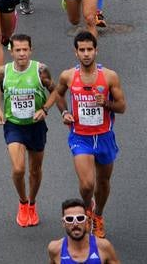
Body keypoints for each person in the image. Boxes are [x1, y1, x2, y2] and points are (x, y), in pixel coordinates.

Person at [48, 32, 127, 239]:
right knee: (86, 185)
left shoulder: (110, 76)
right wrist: (65, 112)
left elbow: (122, 107)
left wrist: (106, 103)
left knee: (103, 182)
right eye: (82, 50)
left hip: (104, 136)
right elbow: (58, 94)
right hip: (80, 137)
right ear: (76, 52)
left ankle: (98, 215)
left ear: (96, 51)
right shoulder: (68, 76)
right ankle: (87, 210)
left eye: (89, 49)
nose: (86, 54)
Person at [0, 33, 55, 227]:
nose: (21, 54)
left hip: (35, 126)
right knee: (18, 169)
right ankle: (22, 202)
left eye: (25, 50)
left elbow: (56, 90)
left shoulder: (40, 70)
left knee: (35, 171)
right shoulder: (3, 71)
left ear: (31, 50)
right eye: (17, 50)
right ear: (11, 52)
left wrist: (44, 109)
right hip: (14, 126)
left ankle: (32, 204)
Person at [48, 198, 120, 263]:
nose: (75, 224)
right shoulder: (55, 249)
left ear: (87, 221)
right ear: (64, 223)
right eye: (70, 219)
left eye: (80, 218)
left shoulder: (104, 247)